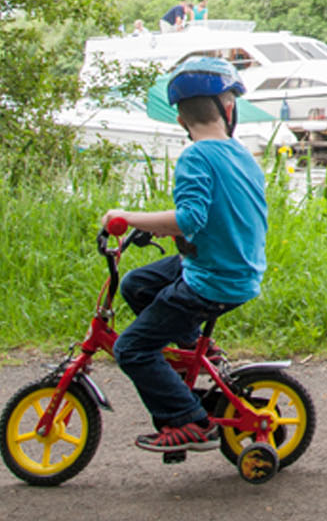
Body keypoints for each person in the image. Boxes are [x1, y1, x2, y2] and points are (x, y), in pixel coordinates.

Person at [101, 56, 269, 453]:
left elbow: (190, 218)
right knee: (136, 283)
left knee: (131, 348)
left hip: (212, 279)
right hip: (231, 264)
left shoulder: (195, 155)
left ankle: (188, 420)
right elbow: (216, 216)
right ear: (230, 111)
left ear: (180, 121)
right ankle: (191, 348)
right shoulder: (240, 154)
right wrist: (152, 227)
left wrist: (126, 217)